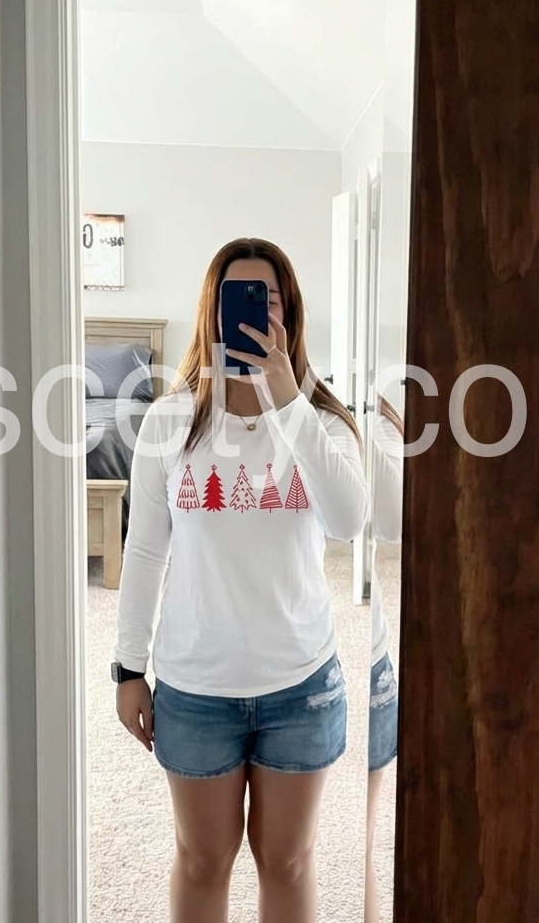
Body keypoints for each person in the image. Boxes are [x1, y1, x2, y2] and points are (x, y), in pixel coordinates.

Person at [112, 238, 369, 923]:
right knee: (202, 861)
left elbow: (349, 522)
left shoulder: (322, 422)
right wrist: (127, 669)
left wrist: (287, 402)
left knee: (288, 862)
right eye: (240, 299)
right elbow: (144, 551)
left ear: (291, 314)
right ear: (214, 313)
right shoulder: (171, 420)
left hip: (301, 686)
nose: (258, 314)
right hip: (196, 688)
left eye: (271, 300)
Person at [365, 395, 404, 923]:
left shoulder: (364, 419)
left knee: (364, 841)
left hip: (363, 661)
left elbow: (394, 520)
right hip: (255, 673)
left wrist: (365, 416)